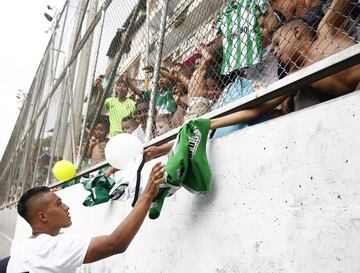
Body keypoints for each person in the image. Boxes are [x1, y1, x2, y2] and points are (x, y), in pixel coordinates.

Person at [7, 163, 165, 273]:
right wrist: (148, 195)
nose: (66, 207)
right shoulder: (55, 246)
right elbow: (116, 243)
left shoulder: (25, 247)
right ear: (42, 216)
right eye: (59, 203)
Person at [144, 95, 288, 161]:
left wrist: (208, 125)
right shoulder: (208, 130)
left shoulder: (211, 126)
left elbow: (253, 113)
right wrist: (158, 150)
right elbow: (185, 140)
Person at [271, 0, 360, 97]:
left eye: (277, 43)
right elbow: (267, 102)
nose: (275, 52)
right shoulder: (297, 74)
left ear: (296, 32)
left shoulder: (325, 30)